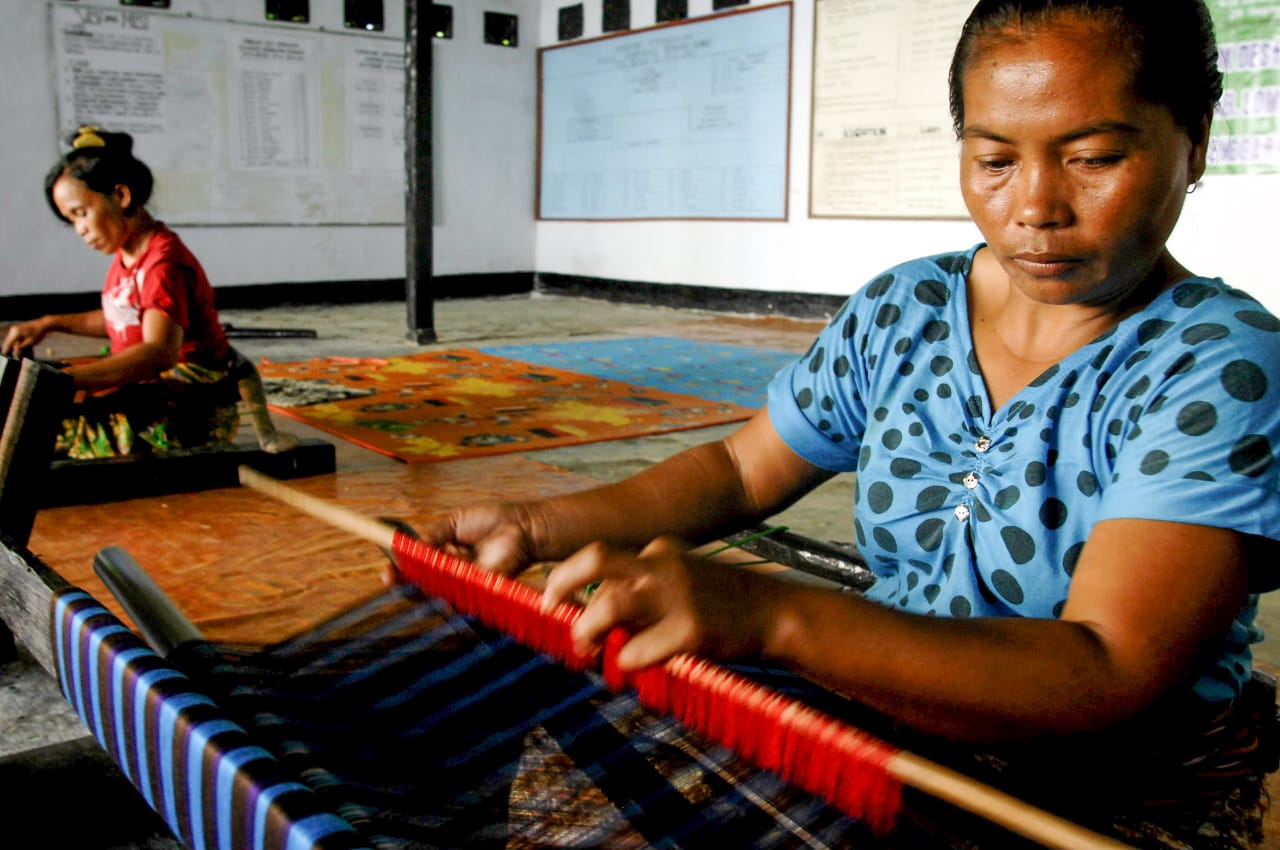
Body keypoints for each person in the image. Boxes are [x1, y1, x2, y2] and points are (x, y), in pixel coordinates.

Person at [414, 1, 1280, 846]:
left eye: (1093, 158)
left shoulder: (1218, 363)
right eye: (993, 160)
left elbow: (1107, 665)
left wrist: (775, 619)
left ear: (1195, 139)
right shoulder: (908, 309)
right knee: (556, 745)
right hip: (886, 720)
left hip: (1101, 788)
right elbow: (740, 471)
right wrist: (537, 526)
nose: (1035, 205)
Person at [1, 127, 295, 459]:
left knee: (48, 427)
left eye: (81, 213)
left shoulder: (163, 263)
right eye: (71, 221)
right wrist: (48, 323)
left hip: (189, 405)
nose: (79, 229)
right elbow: (121, 318)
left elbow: (158, 352)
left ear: (120, 196)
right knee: (48, 405)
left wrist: (67, 380)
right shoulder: (129, 255)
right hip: (157, 386)